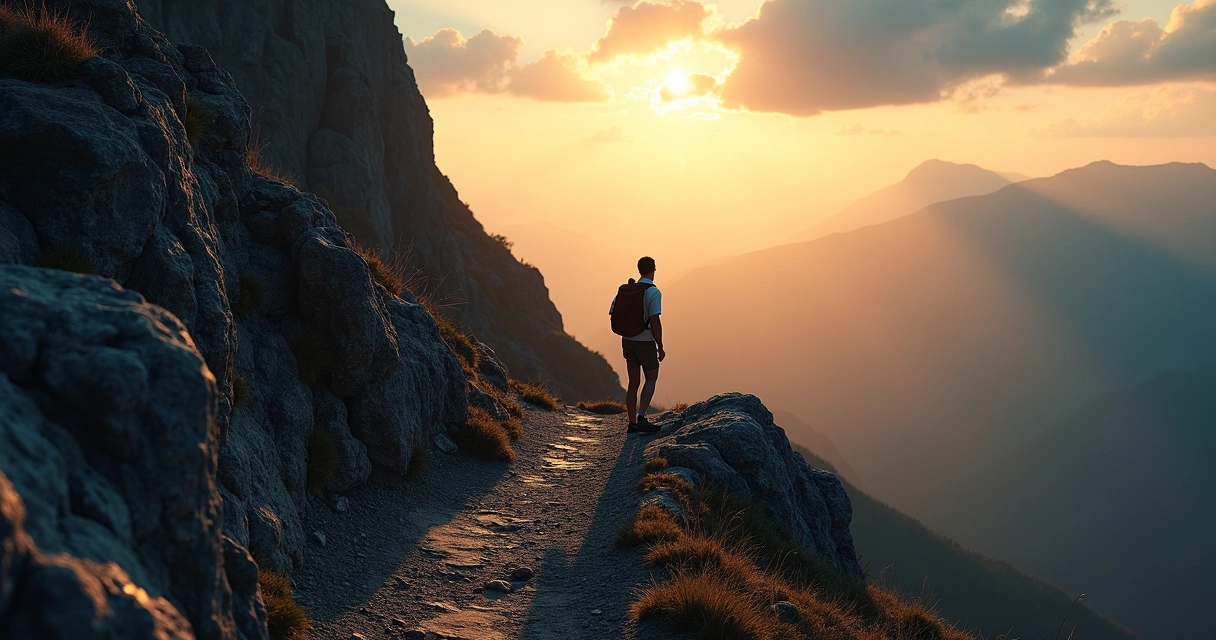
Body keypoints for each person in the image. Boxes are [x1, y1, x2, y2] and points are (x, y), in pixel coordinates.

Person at [609, 256, 665, 433]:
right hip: (645, 342)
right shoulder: (653, 292)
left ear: (639, 269)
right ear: (653, 269)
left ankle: (631, 423)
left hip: (627, 342)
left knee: (633, 382)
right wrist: (660, 346)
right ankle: (642, 417)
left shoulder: (626, 290)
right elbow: (655, 320)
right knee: (651, 378)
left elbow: (613, 312)